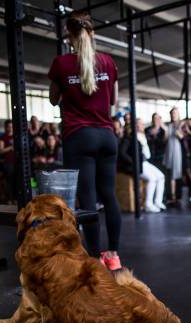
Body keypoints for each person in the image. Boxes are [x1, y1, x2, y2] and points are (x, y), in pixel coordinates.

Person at [48, 11, 122, 269]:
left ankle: (94, 260)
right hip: (106, 136)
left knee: (88, 200)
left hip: (79, 137)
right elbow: (113, 100)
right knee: (109, 196)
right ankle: (113, 256)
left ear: (69, 35)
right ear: (93, 33)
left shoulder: (61, 64)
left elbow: (52, 99)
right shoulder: (109, 62)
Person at [134, 118, 166, 213]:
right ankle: (148, 204)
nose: (142, 126)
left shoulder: (143, 135)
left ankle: (158, 202)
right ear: (136, 125)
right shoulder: (134, 136)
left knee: (161, 176)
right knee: (152, 178)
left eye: (142, 124)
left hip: (146, 162)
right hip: (140, 162)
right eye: (140, 124)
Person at [164, 107, 184, 205]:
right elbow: (165, 138)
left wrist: (178, 131)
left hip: (177, 149)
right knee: (170, 172)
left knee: (176, 172)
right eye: (172, 113)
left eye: (175, 113)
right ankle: (171, 195)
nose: (173, 115)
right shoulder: (168, 125)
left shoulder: (181, 124)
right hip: (169, 149)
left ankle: (176, 195)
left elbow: (181, 137)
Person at [0, 120, 16, 204]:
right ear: (6, 127)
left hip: (17, 162)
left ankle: (16, 199)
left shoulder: (16, 136)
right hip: (8, 163)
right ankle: (10, 199)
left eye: (11, 126)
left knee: (16, 181)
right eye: (8, 126)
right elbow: (1, 150)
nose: (10, 128)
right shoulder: (3, 137)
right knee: (9, 181)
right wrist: (10, 147)